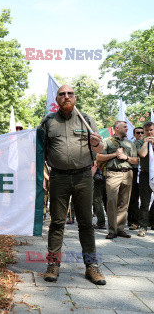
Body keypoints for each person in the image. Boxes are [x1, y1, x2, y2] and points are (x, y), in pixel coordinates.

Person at [39, 85, 105, 285]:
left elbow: (99, 148)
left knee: (85, 223)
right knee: (57, 222)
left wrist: (97, 143)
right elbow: (39, 151)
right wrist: (42, 177)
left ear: (75, 97)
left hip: (83, 177)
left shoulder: (86, 119)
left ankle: (91, 266)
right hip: (57, 177)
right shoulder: (48, 121)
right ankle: (53, 264)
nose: (66, 97)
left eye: (70, 94)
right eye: (62, 94)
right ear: (57, 99)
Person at [97, 120, 138, 239]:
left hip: (128, 173)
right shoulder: (107, 141)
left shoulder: (130, 143)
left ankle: (120, 229)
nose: (127, 128)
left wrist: (126, 157)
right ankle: (112, 230)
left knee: (124, 203)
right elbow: (99, 157)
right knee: (111, 201)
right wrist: (114, 154)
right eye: (124, 127)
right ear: (117, 128)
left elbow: (136, 160)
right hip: (113, 173)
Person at [136, 121, 154, 237]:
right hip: (145, 174)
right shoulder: (140, 142)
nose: (149, 132)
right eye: (146, 131)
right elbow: (142, 154)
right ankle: (143, 227)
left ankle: (151, 220)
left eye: (151, 130)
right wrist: (146, 144)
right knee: (145, 202)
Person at [127, 127, 144, 230]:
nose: (141, 134)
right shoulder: (132, 144)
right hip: (135, 171)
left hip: (147, 171)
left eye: (142, 132)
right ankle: (133, 220)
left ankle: (148, 219)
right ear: (134, 134)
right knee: (133, 197)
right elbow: (140, 157)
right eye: (138, 132)